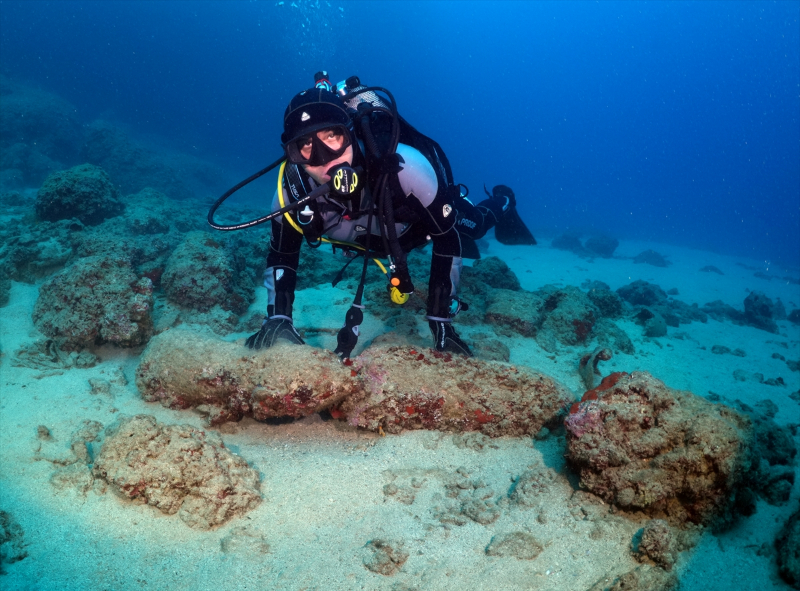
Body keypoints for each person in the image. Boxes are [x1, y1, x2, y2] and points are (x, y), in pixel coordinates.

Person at [246, 74, 534, 358]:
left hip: (415, 230)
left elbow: (446, 240)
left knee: (473, 226)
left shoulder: (407, 170)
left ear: (351, 133)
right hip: (372, 240)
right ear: (292, 153)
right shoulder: (291, 196)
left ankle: (503, 201)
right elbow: (281, 256)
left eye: (332, 136)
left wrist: (441, 324)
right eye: (306, 145)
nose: (324, 158)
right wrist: (278, 320)